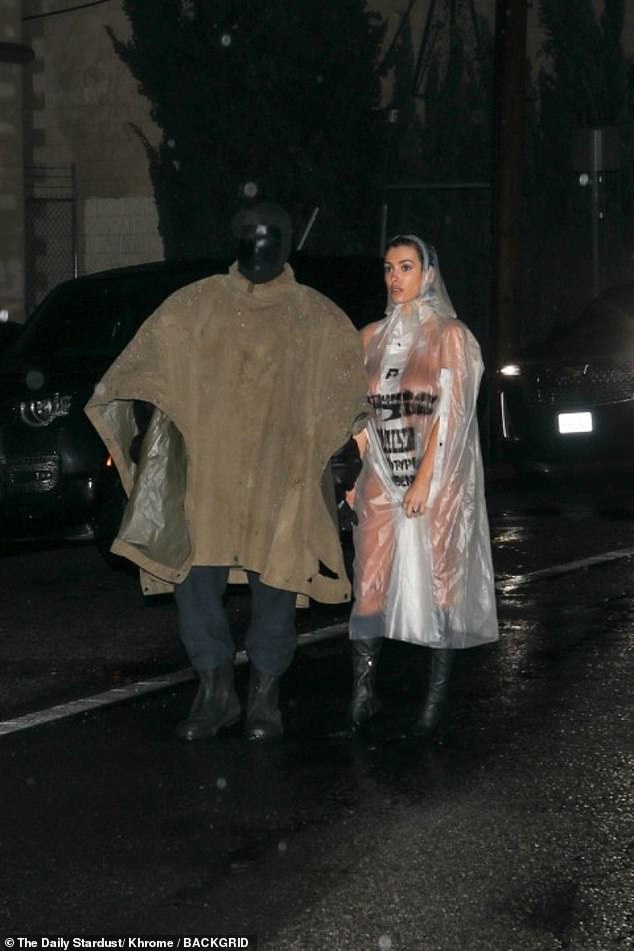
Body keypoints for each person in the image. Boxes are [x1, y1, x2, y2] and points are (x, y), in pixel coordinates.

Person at [85, 202, 369, 742]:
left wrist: (340, 462)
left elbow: (348, 397)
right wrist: (153, 433)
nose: (260, 246)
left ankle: (265, 698)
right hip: (207, 482)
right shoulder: (193, 307)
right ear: (235, 241)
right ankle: (215, 693)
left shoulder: (316, 317)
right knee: (194, 583)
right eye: (250, 235)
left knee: (278, 585)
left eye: (272, 237)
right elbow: (133, 373)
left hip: (279, 480)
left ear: (287, 245)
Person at [345, 234, 498, 736]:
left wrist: (424, 482)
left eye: (406, 267)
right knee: (367, 585)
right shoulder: (369, 337)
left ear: (427, 273)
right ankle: (363, 696)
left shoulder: (450, 335)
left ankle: (434, 702)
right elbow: (353, 411)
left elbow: (452, 415)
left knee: (440, 585)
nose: (395, 278)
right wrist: (362, 468)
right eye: (389, 268)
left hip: (434, 481)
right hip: (381, 481)